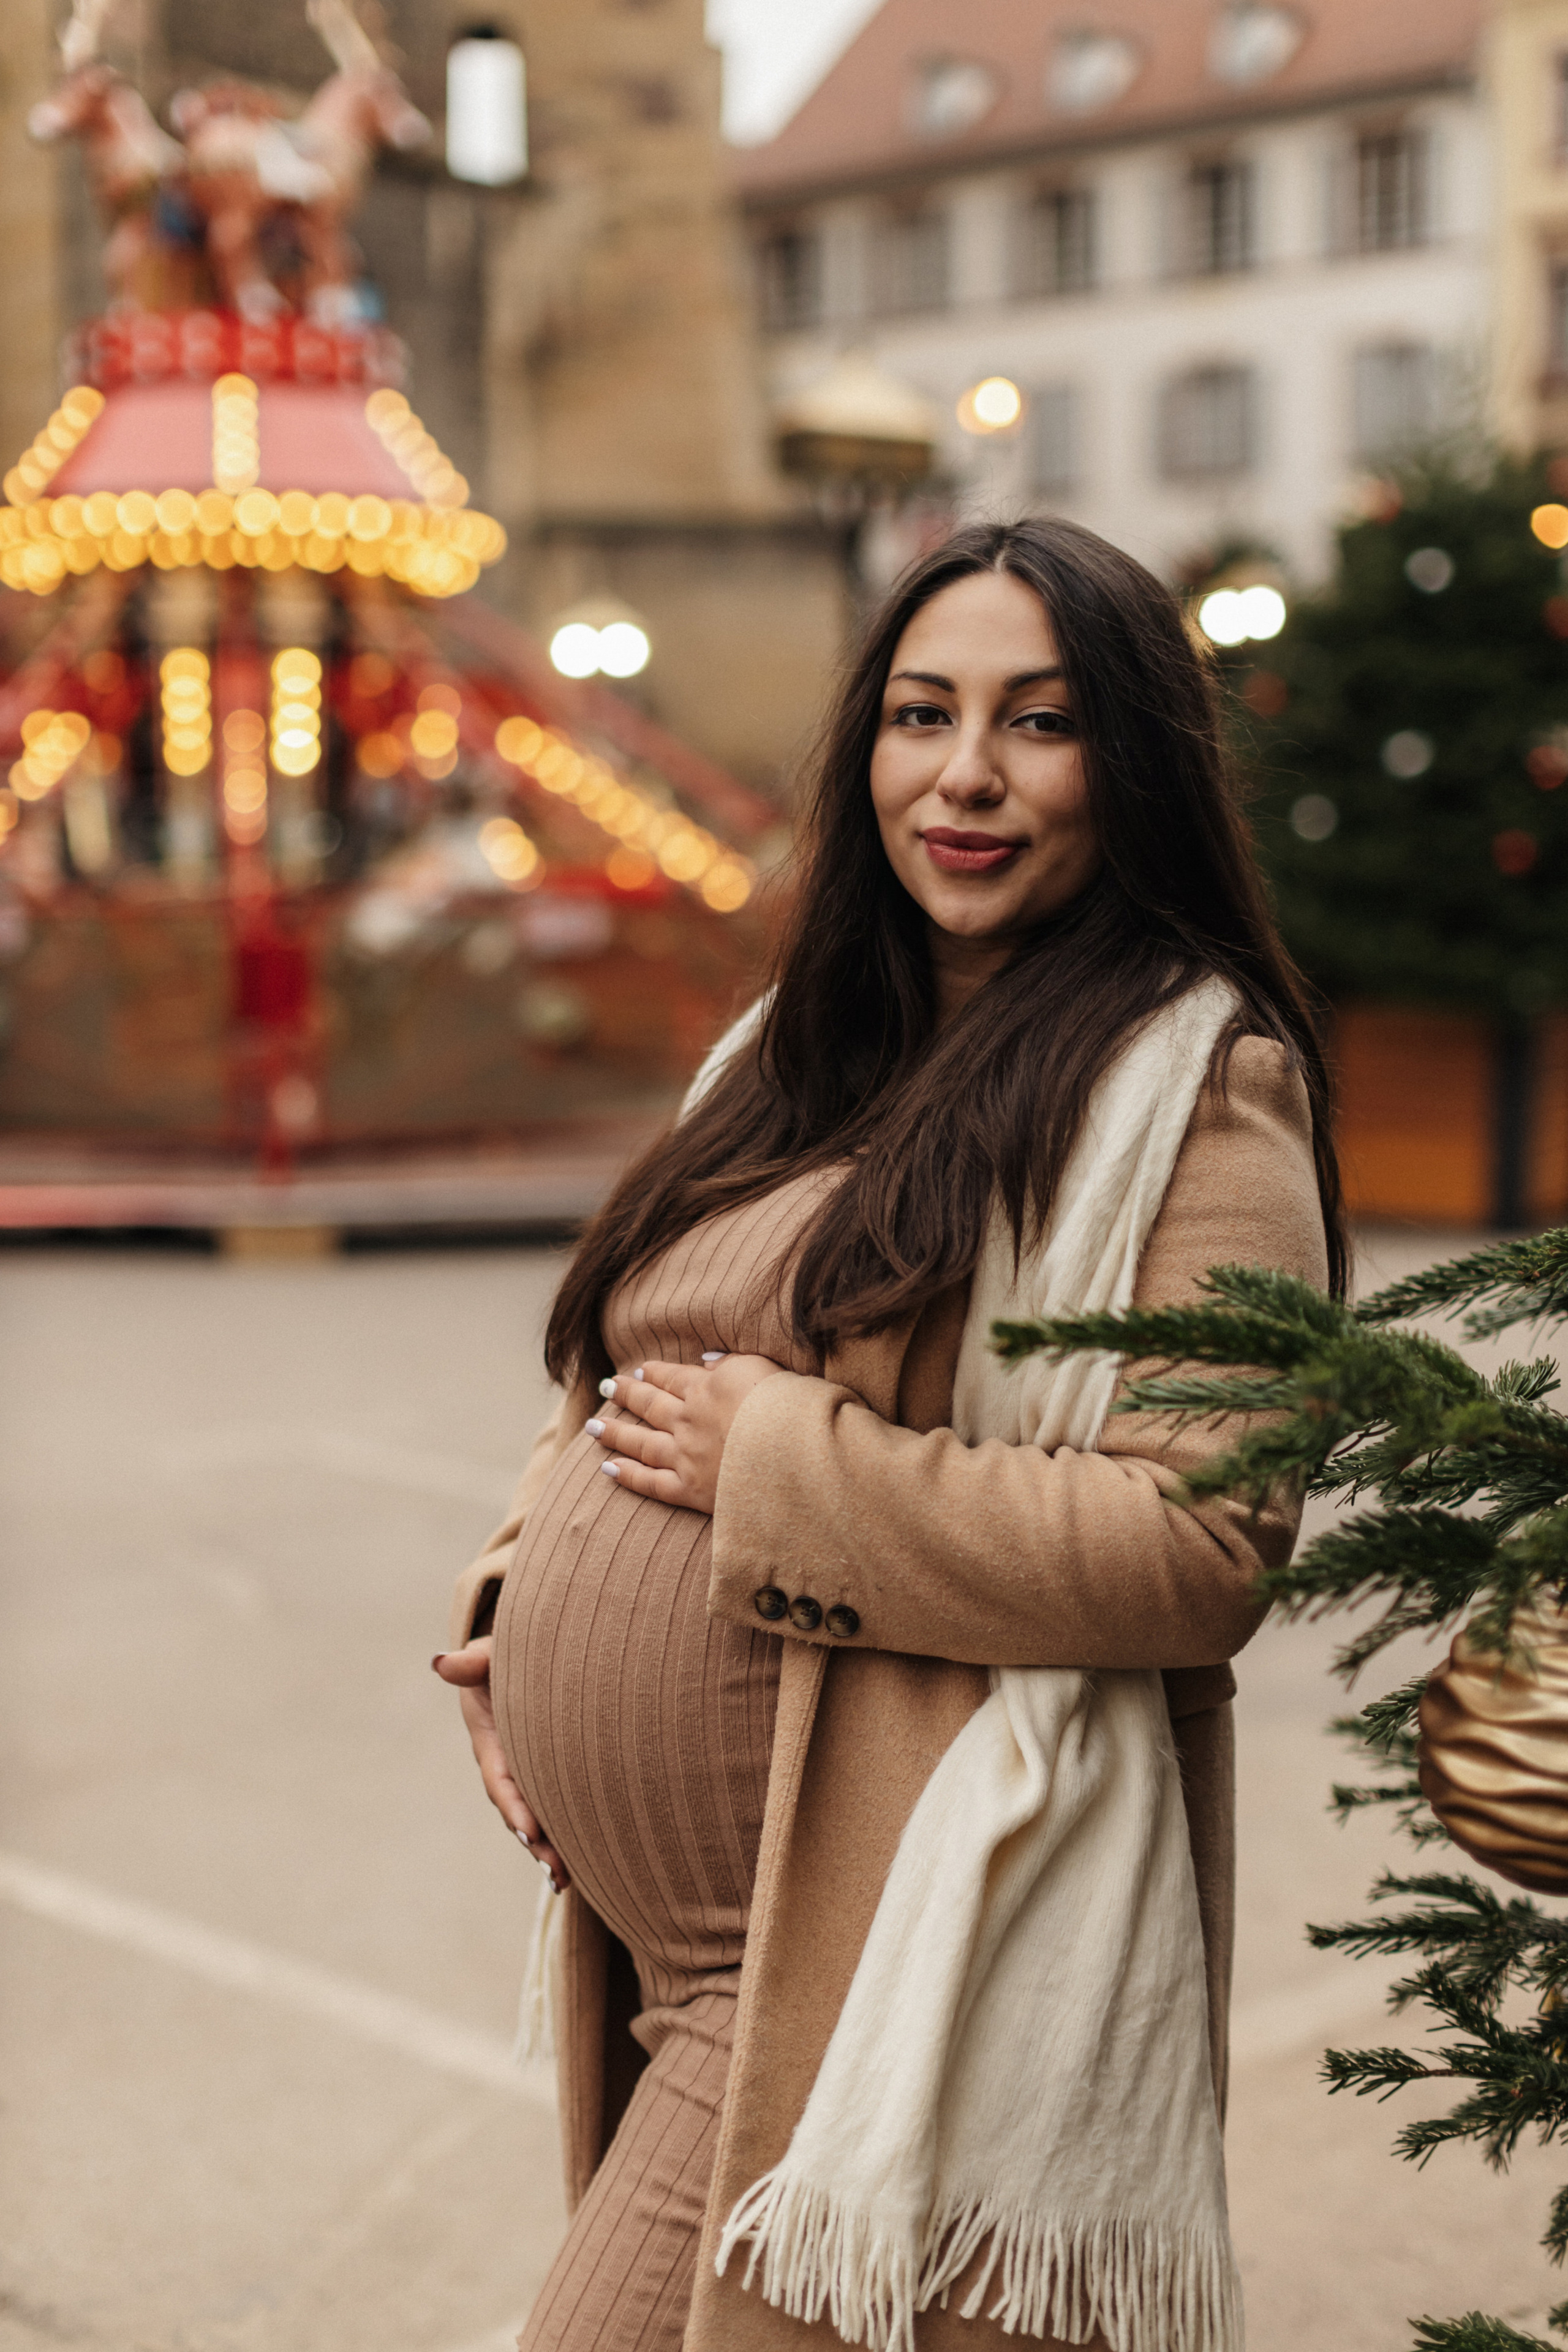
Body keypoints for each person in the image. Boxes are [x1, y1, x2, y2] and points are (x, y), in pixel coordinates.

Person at [435, 518, 1340, 2352]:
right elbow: (618, 1391)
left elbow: (1202, 1546)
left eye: (1041, 722)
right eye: (925, 713)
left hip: (853, 1943)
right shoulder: (791, 1043)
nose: (969, 775)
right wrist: (513, 1605)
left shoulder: (1197, 1082)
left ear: (1136, 764)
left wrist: (787, 1471)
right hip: (697, 1952)